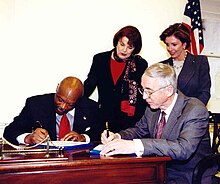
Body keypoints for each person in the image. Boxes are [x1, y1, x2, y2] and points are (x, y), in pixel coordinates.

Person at [100, 63, 216, 184]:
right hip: (158, 170)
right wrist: (118, 136)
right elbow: (139, 130)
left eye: (149, 91)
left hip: (189, 176)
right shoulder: (152, 109)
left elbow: (183, 149)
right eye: (143, 90)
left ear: (169, 90)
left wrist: (135, 146)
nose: (144, 97)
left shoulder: (194, 110)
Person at [84, 25, 148, 133]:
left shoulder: (140, 64)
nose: (124, 50)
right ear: (116, 42)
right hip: (104, 119)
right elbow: (89, 85)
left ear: (135, 49)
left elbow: (143, 93)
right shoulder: (100, 59)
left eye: (130, 47)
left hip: (130, 122)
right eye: (122, 44)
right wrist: (73, 99)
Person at [3, 76, 100, 145]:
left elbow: (100, 132)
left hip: (77, 161)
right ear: (57, 88)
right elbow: (10, 131)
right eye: (60, 100)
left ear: (79, 100)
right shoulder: (36, 105)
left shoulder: (90, 107)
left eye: (70, 104)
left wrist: (83, 138)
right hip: (45, 161)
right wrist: (28, 138)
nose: (63, 106)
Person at [159, 23, 211, 105]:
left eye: (174, 44)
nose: (170, 49)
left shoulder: (200, 62)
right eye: (167, 45)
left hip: (191, 113)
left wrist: (191, 112)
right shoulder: (162, 66)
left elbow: (204, 93)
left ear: (184, 44)